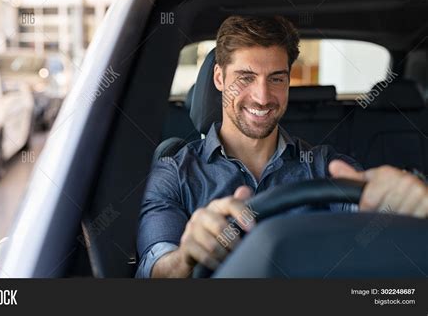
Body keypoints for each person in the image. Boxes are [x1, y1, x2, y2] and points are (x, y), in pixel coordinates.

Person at [136, 15, 428, 278]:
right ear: (219, 79)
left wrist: (404, 206)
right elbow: (157, 268)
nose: (263, 97)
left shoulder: (324, 166)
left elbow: (376, 227)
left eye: (276, 78)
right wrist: (187, 256)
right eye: (246, 78)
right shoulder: (173, 174)